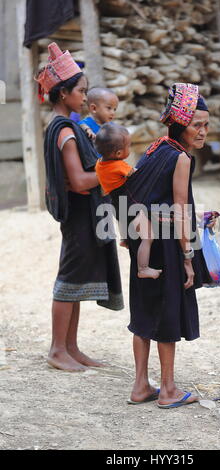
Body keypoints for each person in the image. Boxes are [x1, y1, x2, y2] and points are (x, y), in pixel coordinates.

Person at [125, 82, 216, 408]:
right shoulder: (180, 159)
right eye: (197, 125)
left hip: (142, 245)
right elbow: (179, 210)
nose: (203, 131)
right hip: (165, 247)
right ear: (180, 124)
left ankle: (140, 387)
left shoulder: (155, 148)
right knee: (166, 313)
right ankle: (168, 390)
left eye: (206, 124)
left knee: (144, 311)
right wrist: (189, 256)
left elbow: (145, 196)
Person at [35, 42, 124, 372]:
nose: (86, 99)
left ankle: (71, 347)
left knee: (76, 280)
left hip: (85, 215)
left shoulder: (70, 126)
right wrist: (115, 171)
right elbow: (79, 180)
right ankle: (57, 349)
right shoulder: (65, 132)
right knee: (69, 278)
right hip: (78, 214)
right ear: (63, 94)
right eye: (81, 91)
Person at [95, 122, 162, 280]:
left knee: (123, 219)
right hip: (129, 202)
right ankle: (143, 268)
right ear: (118, 153)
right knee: (148, 236)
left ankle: (125, 238)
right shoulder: (119, 166)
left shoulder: (99, 165)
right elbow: (136, 174)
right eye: (129, 146)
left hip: (116, 202)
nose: (130, 148)